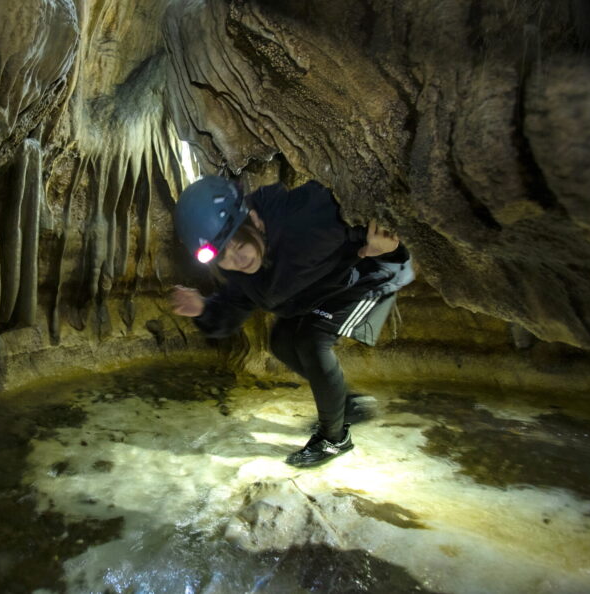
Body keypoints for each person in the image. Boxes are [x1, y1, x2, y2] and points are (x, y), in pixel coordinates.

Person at [168, 176, 414, 467]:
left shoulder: (304, 220)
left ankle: (334, 439)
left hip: (371, 272)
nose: (238, 258)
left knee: (311, 340)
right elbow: (231, 310)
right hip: (321, 287)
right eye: (223, 255)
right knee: (282, 341)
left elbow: (363, 202)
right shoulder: (241, 274)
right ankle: (346, 405)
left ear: (255, 219)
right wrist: (202, 310)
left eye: (239, 243)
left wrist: (386, 247)